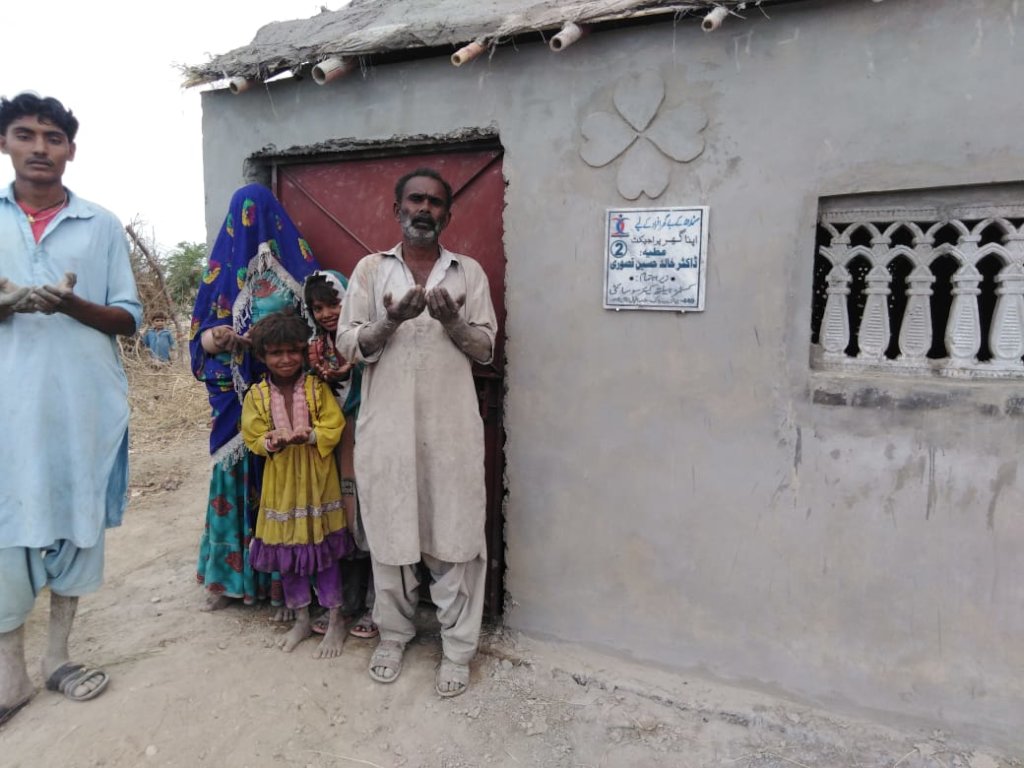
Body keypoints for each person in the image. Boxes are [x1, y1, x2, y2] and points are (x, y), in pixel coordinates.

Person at [0, 92, 142, 725]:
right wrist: (6, 304)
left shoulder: (99, 224)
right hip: (9, 409)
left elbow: (128, 318)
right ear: (4, 143)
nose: (40, 148)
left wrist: (69, 305)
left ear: (71, 151)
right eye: (25, 134)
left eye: (53, 138)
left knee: (79, 523)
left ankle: (58, 658)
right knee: (5, 531)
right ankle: (10, 677)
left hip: (84, 405)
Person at [337, 168, 497, 697]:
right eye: (415, 200)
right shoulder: (370, 271)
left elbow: (486, 349)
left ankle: (458, 649)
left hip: (451, 430)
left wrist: (453, 324)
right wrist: (391, 322)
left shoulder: (466, 272)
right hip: (387, 429)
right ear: (397, 209)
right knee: (390, 531)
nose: (424, 209)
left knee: (455, 534)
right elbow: (348, 345)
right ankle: (394, 635)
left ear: (448, 214)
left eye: (434, 202)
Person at [189, 184, 319, 613]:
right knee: (234, 477)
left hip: (284, 391)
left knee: (283, 482)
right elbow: (199, 338)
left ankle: (282, 588)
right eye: (244, 216)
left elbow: (319, 323)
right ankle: (229, 582)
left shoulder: (296, 271)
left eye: (260, 214)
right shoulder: (220, 274)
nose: (253, 226)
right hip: (235, 395)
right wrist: (219, 338)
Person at [241, 310, 350, 657]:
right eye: (276, 353)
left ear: (303, 352)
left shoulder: (317, 388)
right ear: (262, 357)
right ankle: (301, 618)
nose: (285, 359)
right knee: (288, 553)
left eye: (292, 351)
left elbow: (334, 425)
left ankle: (335, 620)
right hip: (281, 486)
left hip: (318, 483)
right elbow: (252, 435)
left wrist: (312, 434)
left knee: (326, 554)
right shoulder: (256, 395)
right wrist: (270, 441)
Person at [303, 271, 377, 640]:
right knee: (342, 518)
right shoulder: (315, 351)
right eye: (318, 308)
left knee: (373, 518)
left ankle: (378, 604)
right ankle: (347, 600)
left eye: (333, 304)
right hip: (333, 447)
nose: (326, 314)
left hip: (368, 441)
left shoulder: (366, 343)